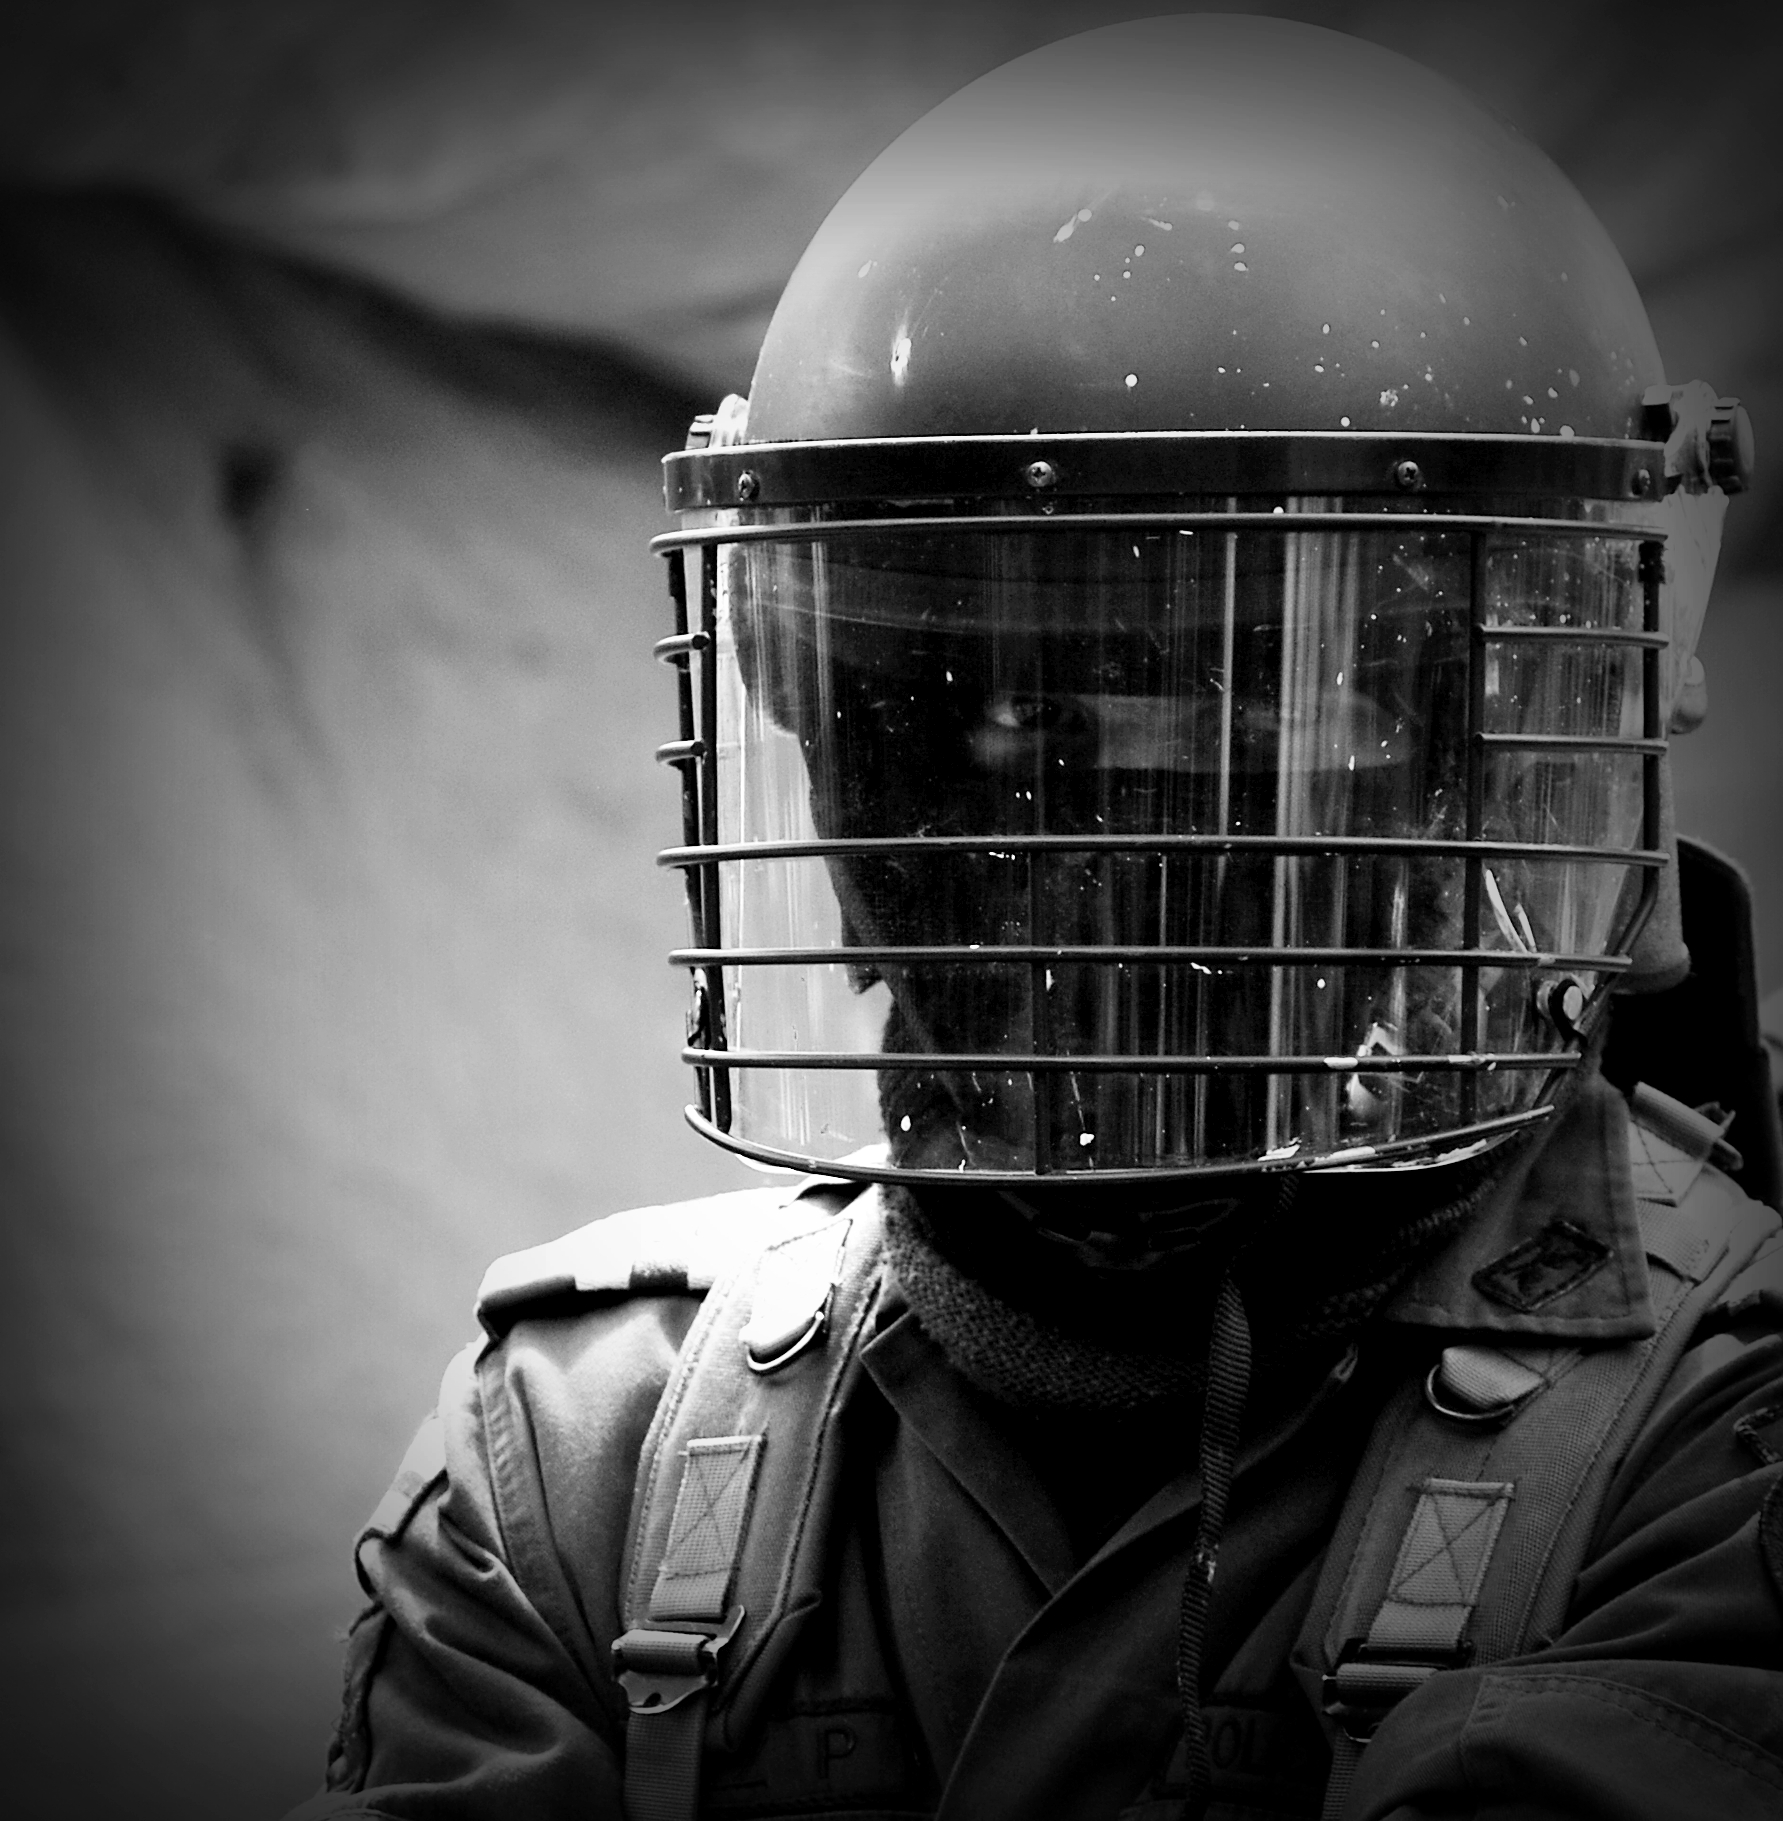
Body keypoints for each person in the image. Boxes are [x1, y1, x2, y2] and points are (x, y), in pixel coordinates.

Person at [295, 17, 1783, 1820]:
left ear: (1489, 743)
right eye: (969, 705)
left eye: (1248, 718)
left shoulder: (1723, 1427)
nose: (1080, 837)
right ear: (819, 721)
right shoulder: (584, 1444)